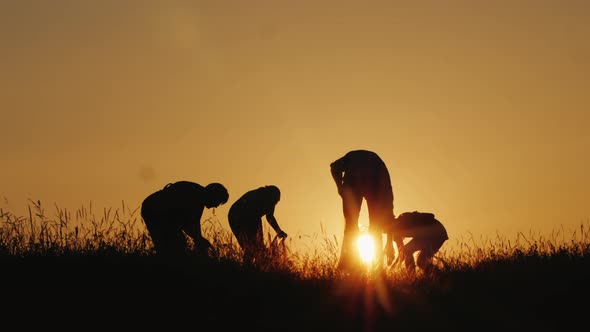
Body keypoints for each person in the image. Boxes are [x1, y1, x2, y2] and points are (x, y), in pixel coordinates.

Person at [330, 150, 396, 271]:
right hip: (358, 180)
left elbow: (334, 167)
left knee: (355, 226)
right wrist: (340, 187)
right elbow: (334, 167)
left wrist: (340, 188)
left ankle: (357, 266)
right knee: (365, 226)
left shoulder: (381, 178)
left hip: (361, 179)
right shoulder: (382, 183)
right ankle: (358, 266)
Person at [140, 181, 229, 257]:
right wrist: (198, 239)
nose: (216, 206)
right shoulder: (196, 198)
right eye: (218, 201)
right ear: (213, 195)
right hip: (155, 209)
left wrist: (198, 238)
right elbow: (187, 223)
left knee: (169, 243)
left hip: (152, 207)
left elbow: (191, 224)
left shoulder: (198, 196)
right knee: (176, 242)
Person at [228, 185, 288, 264]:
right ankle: (247, 269)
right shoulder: (257, 197)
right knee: (250, 248)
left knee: (256, 248)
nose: (273, 205)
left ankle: (253, 268)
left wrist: (279, 231)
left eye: (275, 203)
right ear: (269, 197)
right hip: (237, 216)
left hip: (249, 217)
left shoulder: (270, 199)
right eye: (273, 202)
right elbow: (253, 220)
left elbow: (269, 217)